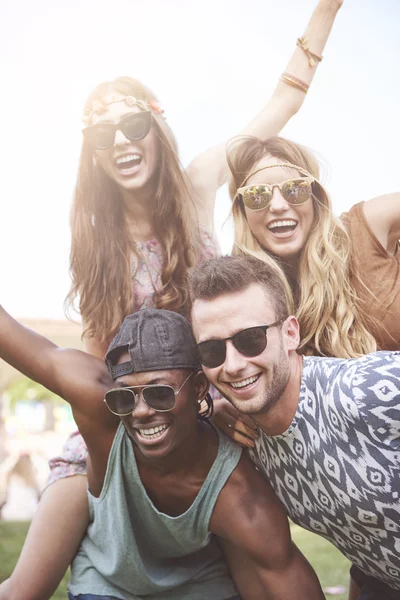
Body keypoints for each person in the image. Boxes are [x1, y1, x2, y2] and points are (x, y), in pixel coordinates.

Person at [0, 3, 344, 597]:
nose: (122, 143)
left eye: (133, 127)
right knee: (26, 583)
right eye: (105, 136)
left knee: (254, 564)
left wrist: (327, 10)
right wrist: (105, 424)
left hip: (216, 410)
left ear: (155, 132)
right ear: (96, 154)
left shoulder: (198, 184)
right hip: (137, 416)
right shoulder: (96, 247)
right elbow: (95, 360)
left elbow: (281, 104)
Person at [0, 305, 325, 600]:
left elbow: (284, 573)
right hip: (108, 583)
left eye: (160, 394)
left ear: (198, 388)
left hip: (197, 585)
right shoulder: (104, 417)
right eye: (126, 397)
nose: (140, 412)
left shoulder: (236, 492)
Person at [188, 254, 400, 600]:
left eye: (250, 339)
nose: (233, 365)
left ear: (289, 333)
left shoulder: (364, 391)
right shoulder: (247, 437)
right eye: (212, 350)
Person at [227, 135, 400, 357]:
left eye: (295, 189)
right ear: (241, 210)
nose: (278, 205)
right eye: (257, 195)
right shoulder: (244, 296)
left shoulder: (365, 228)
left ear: (314, 196)